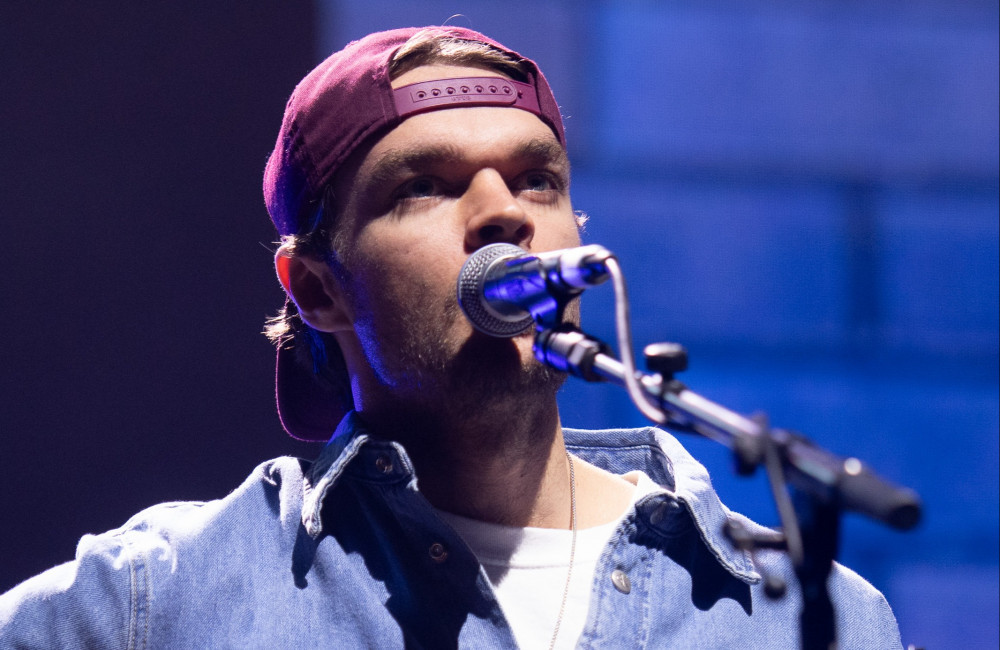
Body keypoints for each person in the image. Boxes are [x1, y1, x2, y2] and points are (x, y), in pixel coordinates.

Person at [0, 26, 903, 648]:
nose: (503, 211)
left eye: (537, 179)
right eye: (424, 186)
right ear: (317, 288)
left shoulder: (812, 618)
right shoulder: (159, 600)